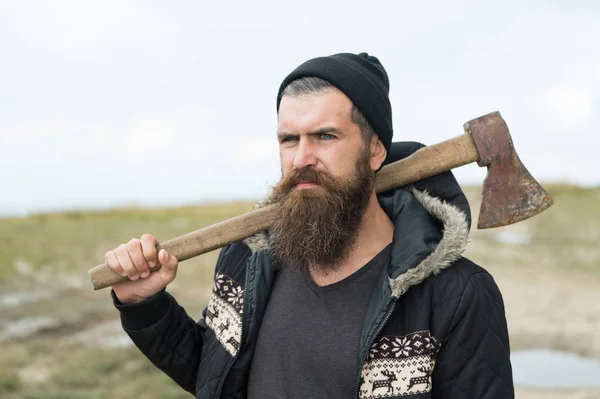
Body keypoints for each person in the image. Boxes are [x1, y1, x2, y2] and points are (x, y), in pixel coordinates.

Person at [107, 52, 514, 398]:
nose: (302, 158)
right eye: (289, 139)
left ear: (374, 150)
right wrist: (145, 306)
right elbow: (215, 373)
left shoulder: (456, 296)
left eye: (325, 136)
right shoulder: (250, 257)